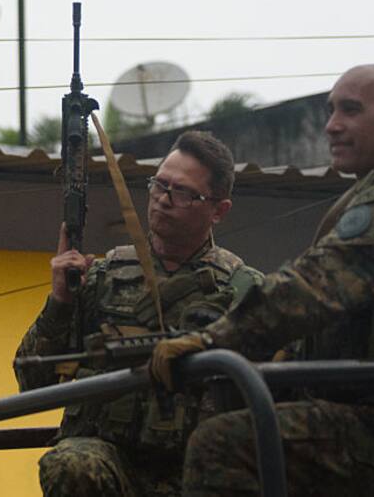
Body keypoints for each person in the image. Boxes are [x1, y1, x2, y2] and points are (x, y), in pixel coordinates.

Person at [150, 64, 374, 497]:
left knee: (223, 445)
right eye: (331, 111)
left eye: (351, 111)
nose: (332, 126)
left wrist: (214, 341)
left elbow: (321, 283)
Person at [15, 130, 264, 497]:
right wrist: (61, 301)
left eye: (182, 192)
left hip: (198, 472)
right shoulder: (102, 276)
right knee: (72, 464)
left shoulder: (245, 293)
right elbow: (30, 381)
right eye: (159, 184)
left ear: (219, 210)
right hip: (113, 464)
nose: (163, 200)